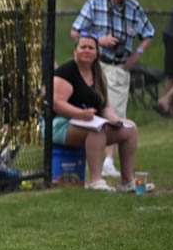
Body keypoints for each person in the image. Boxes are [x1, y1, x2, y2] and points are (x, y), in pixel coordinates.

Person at [71, 0, 154, 178]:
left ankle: (108, 161)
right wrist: (99, 40)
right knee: (91, 110)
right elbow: (75, 31)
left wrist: (136, 54)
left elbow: (149, 33)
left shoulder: (134, 8)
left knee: (115, 114)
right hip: (96, 65)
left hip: (120, 67)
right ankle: (86, 158)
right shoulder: (94, 3)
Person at [52, 36, 149, 193]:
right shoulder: (66, 71)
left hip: (90, 122)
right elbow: (57, 103)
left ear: (96, 53)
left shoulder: (98, 73)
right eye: (83, 47)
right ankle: (96, 181)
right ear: (75, 51)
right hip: (60, 124)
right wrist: (81, 114)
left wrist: (116, 120)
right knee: (97, 130)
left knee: (130, 128)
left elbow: (105, 107)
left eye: (91, 48)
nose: (87, 51)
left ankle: (128, 181)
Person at [156, 6, 173, 116]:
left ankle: (169, 108)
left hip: (169, 34)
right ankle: (166, 100)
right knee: (171, 74)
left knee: (170, 74)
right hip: (172, 36)